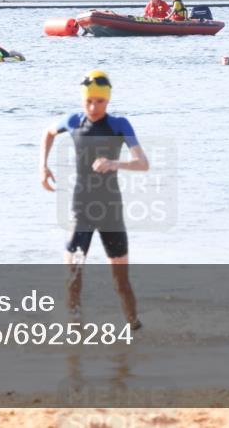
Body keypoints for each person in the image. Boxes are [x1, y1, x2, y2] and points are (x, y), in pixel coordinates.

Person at [40, 70, 149, 329]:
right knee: (73, 276)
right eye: (89, 101)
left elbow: (143, 163)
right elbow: (48, 132)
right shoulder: (74, 121)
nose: (93, 106)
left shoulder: (118, 125)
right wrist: (42, 166)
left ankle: (134, 328)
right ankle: (75, 334)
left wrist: (114, 163)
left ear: (107, 101)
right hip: (81, 208)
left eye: (99, 101)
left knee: (120, 281)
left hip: (110, 209)